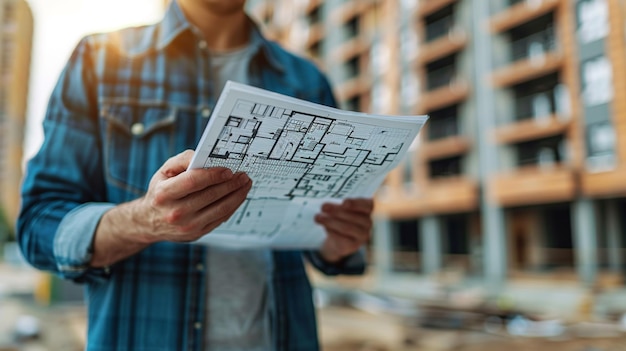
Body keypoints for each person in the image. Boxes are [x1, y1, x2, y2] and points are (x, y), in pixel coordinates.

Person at [17, 0, 373, 350]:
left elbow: (321, 237)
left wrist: (337, 245)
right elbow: (38, 226)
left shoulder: (307, 82)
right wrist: (143, 221)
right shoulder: (100, 61)